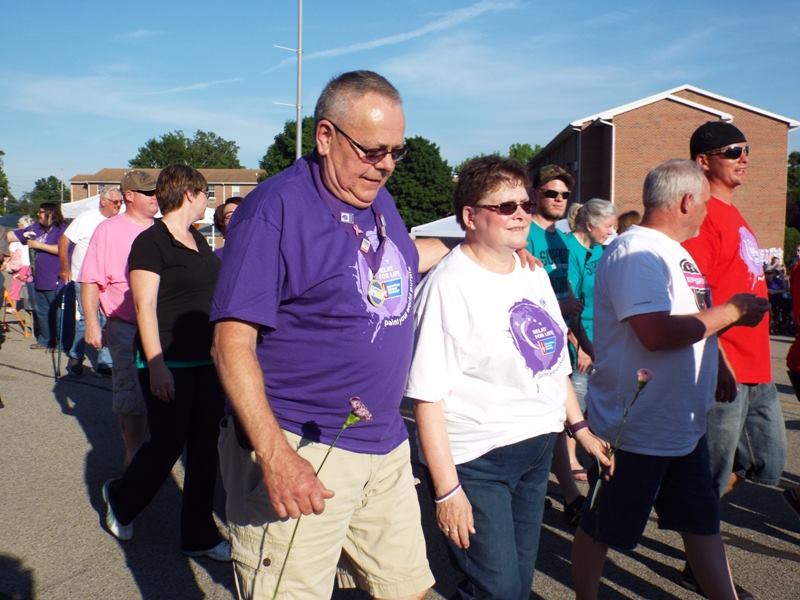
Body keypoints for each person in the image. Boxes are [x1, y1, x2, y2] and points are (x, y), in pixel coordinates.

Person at [211, 70, 435, 599]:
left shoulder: (376, 198)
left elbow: (400, 265)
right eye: (372, 150)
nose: (386, 165)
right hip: (302, 444)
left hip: (383, 442)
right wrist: (275, 456)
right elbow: (230, 343)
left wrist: (480, 247)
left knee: (406, 590)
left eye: (396, 152)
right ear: (326, 135)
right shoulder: (275, 209)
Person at [406, 156, 611, 600]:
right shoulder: (448, 286)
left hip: (536, 451)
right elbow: (427, 398)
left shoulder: (532, 273)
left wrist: (581, 429)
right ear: (470, 217)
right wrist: (447, 492)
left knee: (517, 586)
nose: (521, 214)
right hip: (478, 459)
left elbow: (552, 365)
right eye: (505, 207)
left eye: (525, 204)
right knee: (494, 589)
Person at [571, 159, 769, 600]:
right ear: (686, 201)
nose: (707, 211)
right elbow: (655, 333)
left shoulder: (674, 252)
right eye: (705, 203)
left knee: (702, 525)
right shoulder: (635, 251)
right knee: (602, 528)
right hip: (636, 431)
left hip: (681, 426)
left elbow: (689, 317)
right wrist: (733, 311)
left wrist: (717, 361)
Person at [100, 165, 229, 561]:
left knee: (205, 449)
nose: (208, 202)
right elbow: (145, 306)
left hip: (206, 362)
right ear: (189, 193)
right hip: (167, 361)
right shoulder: (150, 243)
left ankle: (199, 536)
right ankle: (120, 498)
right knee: (167, 445)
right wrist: (156, 365)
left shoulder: (197, 239)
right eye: (206, 194)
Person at [681, 121, 786, 595]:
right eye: (733, 151)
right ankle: (700, 559)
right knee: (712, 473)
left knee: (768, 463)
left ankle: (687, 511)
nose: (744, 157)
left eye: (747, 150)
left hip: (758, 367)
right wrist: (717, 355)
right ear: (704, 161)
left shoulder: (736, 214)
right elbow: (694, 296)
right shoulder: (703, 216)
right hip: (727, 369)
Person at [79, 170, 158, 468]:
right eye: (149, 193)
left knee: (161, 393)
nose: (156, 197)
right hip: (126, 327)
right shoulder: (108, 230)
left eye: (156, 192)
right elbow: (90, 280)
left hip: (161, 327)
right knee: (131, 395)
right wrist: (91, 322)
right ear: (130, 196)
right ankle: (133, 458)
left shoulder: (163, 228)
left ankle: (154, 452)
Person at [525, 164, 587, 521]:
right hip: (532, 344)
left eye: (564, 194)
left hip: (560, 342)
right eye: (551, 193)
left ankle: (565, 495)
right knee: (542, 420)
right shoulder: (525, 234)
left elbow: (571, 292)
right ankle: (567, 495)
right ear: (535, 194)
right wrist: (558, 309)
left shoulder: (562, 240)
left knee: (555, 418)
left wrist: (579, 336)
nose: (560, 199)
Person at [563, 199, 617, 480]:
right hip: (578, 339)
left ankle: (595, 450)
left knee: (598, 400)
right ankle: (570, 458)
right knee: (577, 399)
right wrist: (580, 346)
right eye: (608, 225)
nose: (611, 231)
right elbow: (568, 304)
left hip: (600, 337)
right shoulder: (570, 249)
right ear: (589, 223)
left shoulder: (600, 251)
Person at [58, 186, 122, 376]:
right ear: (103, 201)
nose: (119, 206)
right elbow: (64, 241)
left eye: (120, 202)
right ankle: (76, 355)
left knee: (108, 319)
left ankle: (105, 361)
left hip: (109, 279)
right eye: (115, 202)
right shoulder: (86, 218)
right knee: (87, 317)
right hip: (84, 278)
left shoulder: (120, 220)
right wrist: (65, 267)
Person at [9, 203, 67, 350]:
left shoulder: (62, 229)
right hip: (38, 279)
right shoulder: (35, 228)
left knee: (58, 315)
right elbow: (10, 236)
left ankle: (62, 343)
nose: (38, 215)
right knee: (42, 313)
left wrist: (38, 245)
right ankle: (45, 340)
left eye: (41, 212)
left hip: (56, 279)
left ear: (51, 213)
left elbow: (62, 249)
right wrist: (18, 234)